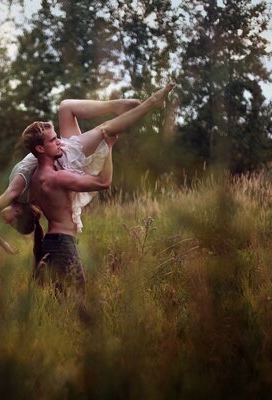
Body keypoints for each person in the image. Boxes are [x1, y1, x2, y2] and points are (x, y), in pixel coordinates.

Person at [21, 83, 175, 295]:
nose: (61, 142)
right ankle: (149, 103)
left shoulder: (39, 174)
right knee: (76, 299)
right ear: (40, 148)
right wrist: (108, 148)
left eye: (58, 137)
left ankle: (122, 105)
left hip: (56, 241)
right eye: (54, 139)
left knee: (67, 108)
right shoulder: (56, 176)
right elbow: (104, 182)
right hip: (61, 242)